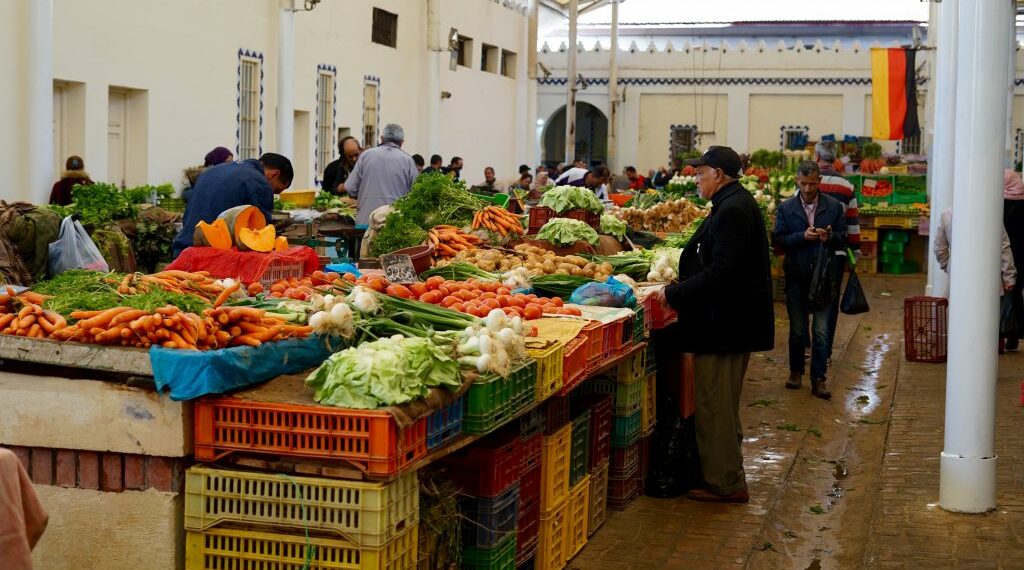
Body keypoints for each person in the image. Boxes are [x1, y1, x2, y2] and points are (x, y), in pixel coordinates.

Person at [653, 145, 774, 503]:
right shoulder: (731, 203)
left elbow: (724, 272)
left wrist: (675, 294)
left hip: (726, 326)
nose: (695, 179)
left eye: (700, 173)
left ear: (718, 174)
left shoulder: (733, 209)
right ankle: (726, 473)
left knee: (715, 404)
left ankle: (726, 483)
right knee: (719, 402)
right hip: (725, 323)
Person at [773, 161, 847, 400]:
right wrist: (802, 236)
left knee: (822, 331)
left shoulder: (834, 208)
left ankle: (819, 378)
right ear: (797, 181)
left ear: (819, 182)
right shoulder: (786, 208)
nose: (807, 188)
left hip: (825, 277)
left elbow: (843, 239)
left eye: (812, 184)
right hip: (796, 277)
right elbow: (780, 240)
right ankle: (796, 372)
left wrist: (830, 236)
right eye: (803, 184)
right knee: (797, 330)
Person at [171, 153, 293, 257]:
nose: (271, 193)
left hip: (183, 250)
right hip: (214, 257)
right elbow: (260, 237)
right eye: (275, 190)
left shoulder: (213, 171)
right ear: (273, 174)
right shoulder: (260, 183)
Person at [935, 207, 1016, 349]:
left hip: (959, 277)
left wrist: (949, 267)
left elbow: (939, 249)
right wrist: (1009, 275)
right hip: (989, 277)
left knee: (960, 317)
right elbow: (1003, 247)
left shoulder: (947, 214)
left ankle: (960, 349)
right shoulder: (991, 212)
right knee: (986, 321)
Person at [815, 141, 860, 365]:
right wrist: (855, 252)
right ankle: (825, 352)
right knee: (829, 303)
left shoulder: (808, 182)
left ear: (816, 158)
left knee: (808, 298)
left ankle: (807, 346)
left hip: (810, 252)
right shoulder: (847, 186)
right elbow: (852, 222)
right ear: (835, 159)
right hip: (837, 253)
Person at [345, 123, 419, 226]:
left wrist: (364, 195)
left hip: (365, 222)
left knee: (364, 242)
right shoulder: (407, 160)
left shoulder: (365, 155)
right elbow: (416, 194)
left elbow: (350, 188)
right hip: (393, 224)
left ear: (382, 138)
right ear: (402, 142)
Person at [1002, 169, 1024, 348]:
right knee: (1016, 294)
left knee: (1003, 295)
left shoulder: (998, 204)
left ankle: (1002, 334)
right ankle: (1014, 335)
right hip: (1022, 256)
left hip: (1005, 254)